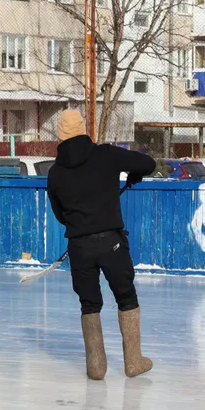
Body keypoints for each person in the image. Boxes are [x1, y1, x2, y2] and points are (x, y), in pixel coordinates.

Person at [47, 110, 157, 380]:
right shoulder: (106, 155)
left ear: (59, 135)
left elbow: (59, 213)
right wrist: (133, 174)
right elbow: (148, 164)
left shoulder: (55, 172)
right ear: (84, 129)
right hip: (112, 243)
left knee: (89, 304)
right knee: (126, 297)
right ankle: (134, 362)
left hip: (79, 247)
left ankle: (96, 367)